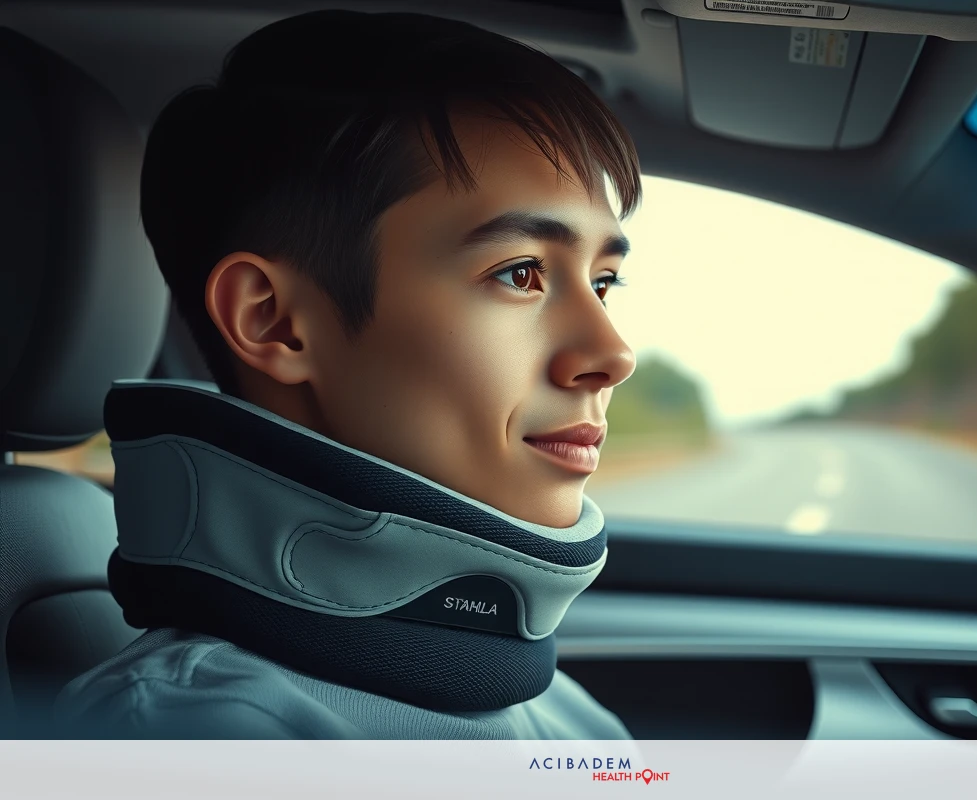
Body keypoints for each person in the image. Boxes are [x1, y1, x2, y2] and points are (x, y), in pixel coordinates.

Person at [55, 8, 640, 739]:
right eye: (521, 272)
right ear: (273, 320)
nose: (612, 354)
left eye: (605, 280)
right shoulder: (190, 742)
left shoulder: (566, 716)